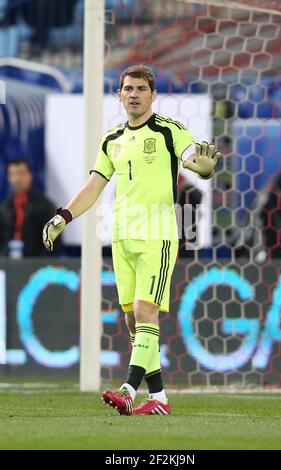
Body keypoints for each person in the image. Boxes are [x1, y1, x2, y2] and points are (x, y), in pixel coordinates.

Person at [43, 64, 221, 415]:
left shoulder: (169, 131)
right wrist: (63, 216)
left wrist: (202, 168)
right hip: (122, 237)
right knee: (131, 320)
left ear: (153, 95)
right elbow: (94, 184)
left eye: (141, 89)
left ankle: (128, 390)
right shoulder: (112, 140)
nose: (135, 94)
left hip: (158, 236)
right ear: (120, 95)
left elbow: (194, 161)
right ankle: (158, 398)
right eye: (129, 89)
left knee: (145, 311)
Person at [0, 159, 61, 258]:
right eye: (13, 174)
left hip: (36, 262)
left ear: (30, 175)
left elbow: (54, 241)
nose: (17, 179)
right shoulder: (4, 208)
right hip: (8, 262)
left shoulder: (45, 206)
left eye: (21, 173)